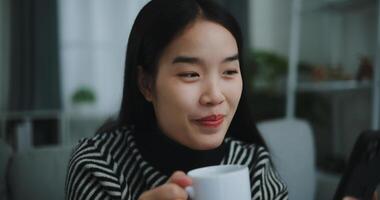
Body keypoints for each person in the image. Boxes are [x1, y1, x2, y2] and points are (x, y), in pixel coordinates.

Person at [65, 0, 288, 199]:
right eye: (190, 74)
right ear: (146, 84)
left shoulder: (253, 165)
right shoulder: (99, 165)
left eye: (229, 71)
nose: (215, 96)